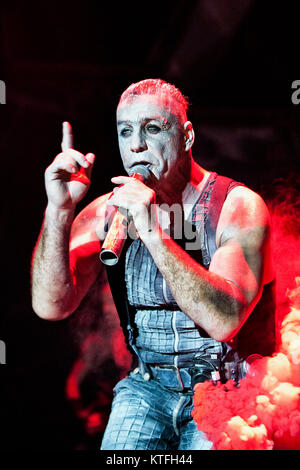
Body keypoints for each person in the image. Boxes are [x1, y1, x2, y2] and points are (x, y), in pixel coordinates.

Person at [31, 78, 275, 450]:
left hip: (231, 389)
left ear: (187, 137)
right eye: (125, 131)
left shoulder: (236, 206)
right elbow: (50, 306)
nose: (136, 145)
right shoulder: (108, 211)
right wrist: (59, 209)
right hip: (148, 389)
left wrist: (153, 233)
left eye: (152, 128)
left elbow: (224, 320)